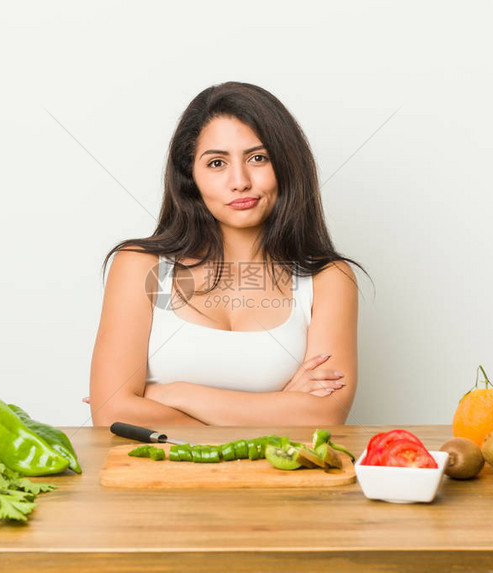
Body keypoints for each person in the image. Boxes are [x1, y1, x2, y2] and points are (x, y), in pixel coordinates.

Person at [89, 81, 362, 426]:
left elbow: (325, 415)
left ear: (287, 164)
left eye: (258, 158)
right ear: (192, 177)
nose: (240, 181)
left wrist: (173, 393)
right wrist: (281, 407)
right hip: (152, 479)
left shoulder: (328, 280)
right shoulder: (140, 266)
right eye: (217, 163)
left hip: (281, 480)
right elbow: (112, 412)